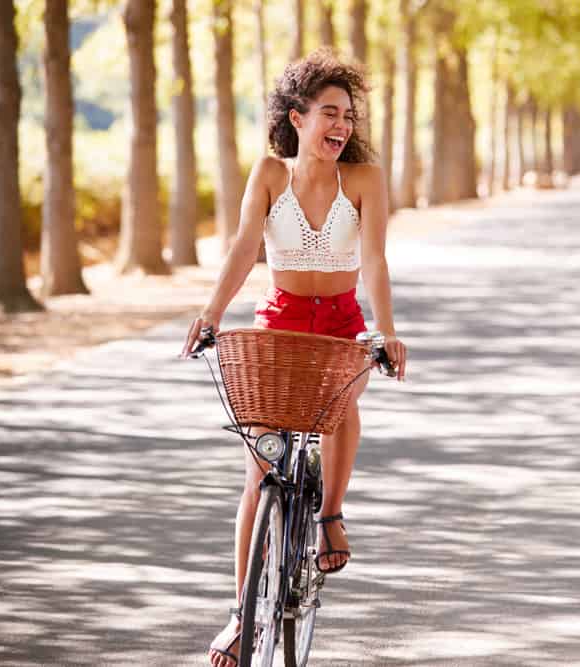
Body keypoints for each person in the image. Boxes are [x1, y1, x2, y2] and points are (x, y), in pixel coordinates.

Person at [181, 48, 408, 667]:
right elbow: (242, 245)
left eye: (349, 116)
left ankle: (331, 512)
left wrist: (385, 332)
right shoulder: (270, 173)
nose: (342, 126)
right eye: (330, 113)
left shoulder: (364, 180)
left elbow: (377, 261)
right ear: (297, 116)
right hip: (278, 321)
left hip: (339, 321)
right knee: (259, 465)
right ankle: (238, 614)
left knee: (340, 408)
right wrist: (209, 315)